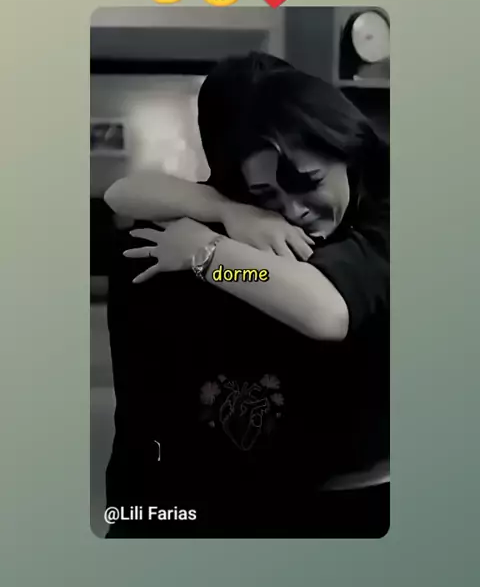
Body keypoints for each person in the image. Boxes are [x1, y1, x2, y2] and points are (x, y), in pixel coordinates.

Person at [103, 52, 389, 538]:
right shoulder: (216, 217)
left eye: (307, 182)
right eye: (267, 193)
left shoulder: (377, 226)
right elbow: (122, 192)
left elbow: (324, 311)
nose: (293, 210)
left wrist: (206, 254)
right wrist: (230, 213)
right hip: (198, 499)